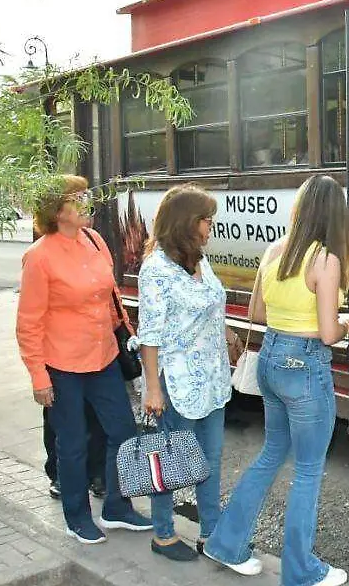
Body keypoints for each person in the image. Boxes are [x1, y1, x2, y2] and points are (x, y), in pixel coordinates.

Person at [205, 175, 349, 586]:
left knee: (272, 453)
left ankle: (226, 542)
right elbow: (328, 334)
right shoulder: (326, 260)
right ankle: (301, 570)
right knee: (308, 470)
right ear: (335, 215)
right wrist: (347, 322)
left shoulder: (275, 251)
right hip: (305, 368)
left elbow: (257, 312)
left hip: (271, 359)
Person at [16, 175, 152, 544]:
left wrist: (128, 334)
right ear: (58, 211)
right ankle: (77, 517)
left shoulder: (95, 240)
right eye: (77, 198)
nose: (86, 201)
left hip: (104, 355)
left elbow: (110, 298)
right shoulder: (40, 256)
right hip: (62, 365)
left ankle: (117, 507)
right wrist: (38, 376)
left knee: (123, 430)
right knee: (72, 443)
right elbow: (28, 323)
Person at [136, 184, 240, 561]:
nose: (210, 225)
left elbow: (211, 303)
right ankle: (163, 534)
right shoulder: (157, 269)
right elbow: (149, 333)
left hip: (212, 379)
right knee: (171, 463)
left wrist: (226, 333)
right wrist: (152, 389)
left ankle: (212, 532)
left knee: (210, 461)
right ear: (185, 223)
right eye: (205, 219)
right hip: (176, 383)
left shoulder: (199, 260)